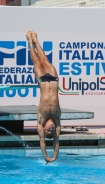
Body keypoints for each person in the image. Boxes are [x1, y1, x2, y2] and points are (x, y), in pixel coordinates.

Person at [26, 31, 61, 164]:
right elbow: (56, 142)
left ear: (44, 128)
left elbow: (42, 141)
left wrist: (46, 156)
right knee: (45, 60)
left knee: (36, 62)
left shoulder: (41, 121)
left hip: (43, 82)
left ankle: (30, 41)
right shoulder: (57, 120)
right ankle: (36, 40)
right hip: (53, 80)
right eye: (53, 131)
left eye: (49, 131)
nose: (51, 129)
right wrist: (55, 156)